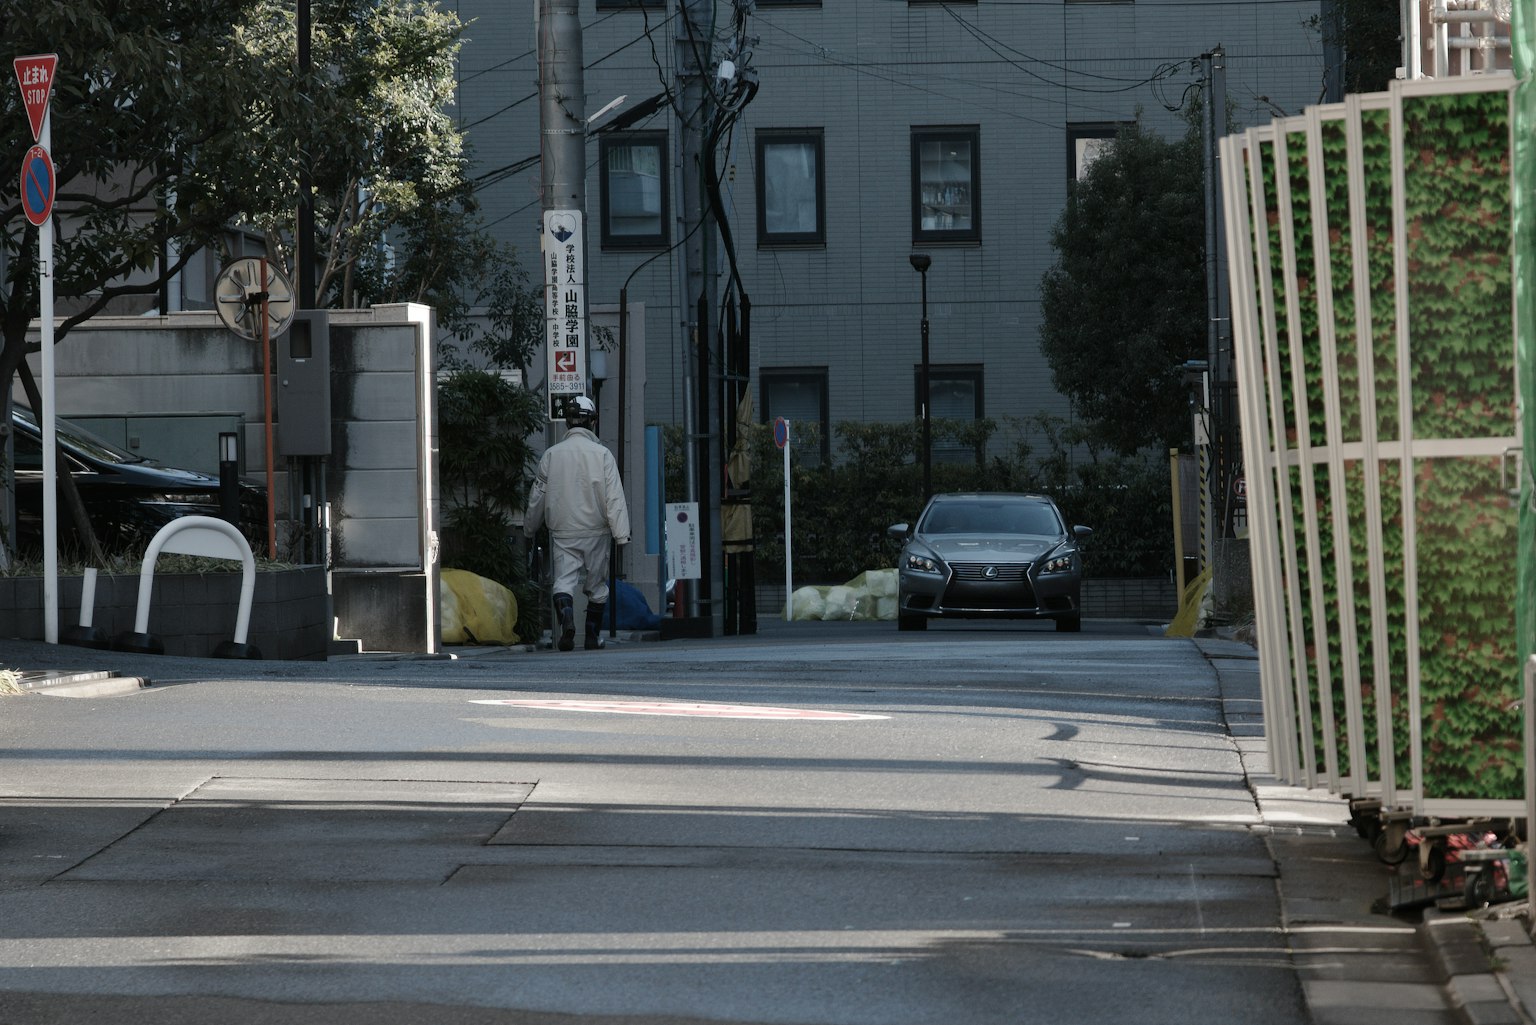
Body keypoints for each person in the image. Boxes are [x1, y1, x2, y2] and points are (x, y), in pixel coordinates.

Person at [524, 395, 631, 650]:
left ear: (567, 423)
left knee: (563, 581)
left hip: (563, 530)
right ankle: (592, 637)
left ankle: (567, 620)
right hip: (596, 530)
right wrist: (621, 535)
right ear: (592, 422)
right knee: (596, 585)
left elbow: (537, 496)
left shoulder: (551, 455)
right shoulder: (602, 455)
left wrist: (530, 528)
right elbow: (614, 496)